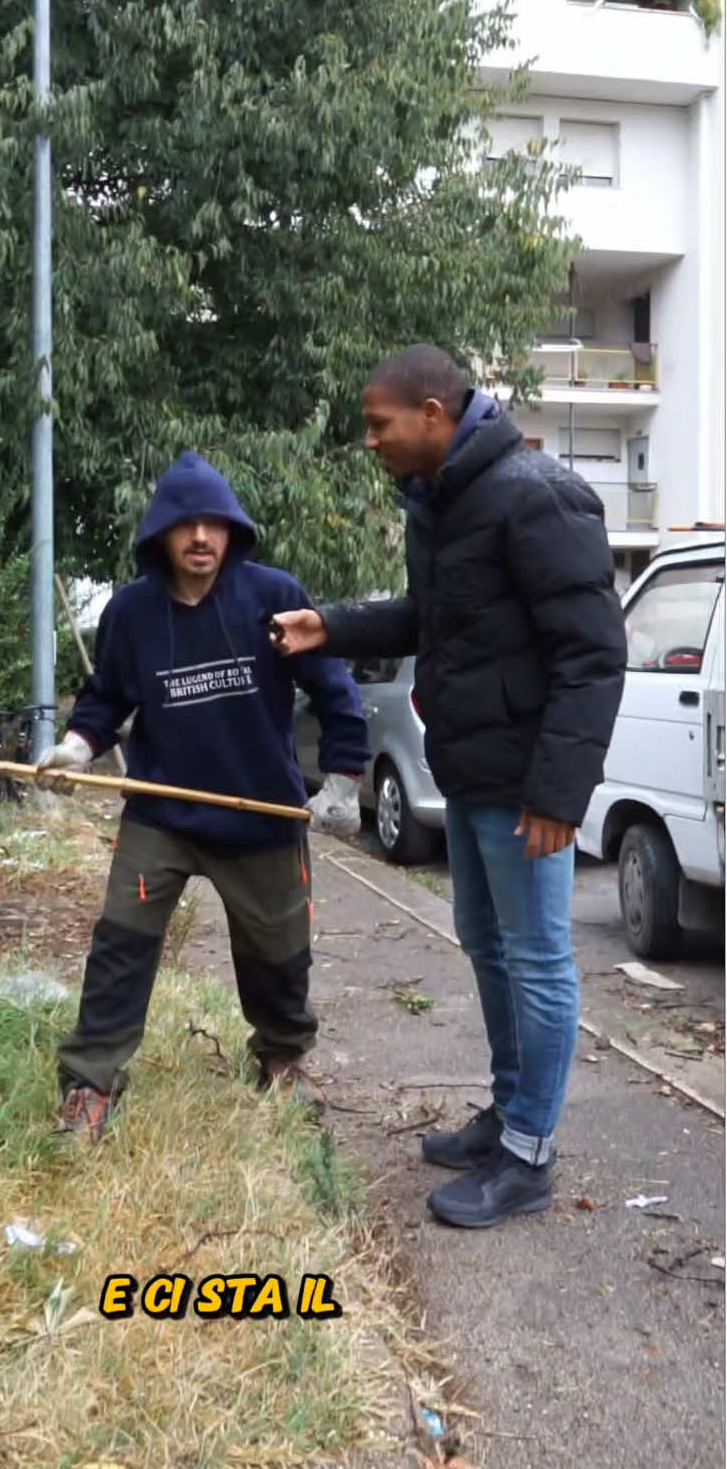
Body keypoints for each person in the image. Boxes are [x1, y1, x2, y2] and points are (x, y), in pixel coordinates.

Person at [272, 344, 627, 1228]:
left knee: (539, 962)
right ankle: (509, 1115)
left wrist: (558, 792)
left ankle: (530, 1155)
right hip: (466, 770)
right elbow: (430, 618)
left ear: (433, 414)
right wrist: (332, 625)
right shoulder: (442, 501)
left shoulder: (535, 495)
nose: (371, 441)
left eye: (379, 424)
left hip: (525, 787)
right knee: (486, 944)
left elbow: (594, 655)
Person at [37, 450, 371, 1142]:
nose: (200, 538)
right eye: (185, 524)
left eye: (214, 524)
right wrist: (76, 747)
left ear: (231, 531)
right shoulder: (130, 613)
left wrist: (343, 779)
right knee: (120, 944)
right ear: (160, 532)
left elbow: (334, 687)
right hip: (162, 811)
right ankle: (91, 1083)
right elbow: (105, 700)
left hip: (261, 814)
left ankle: (281, 1059)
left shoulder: (271, 596)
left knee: (279, 951)